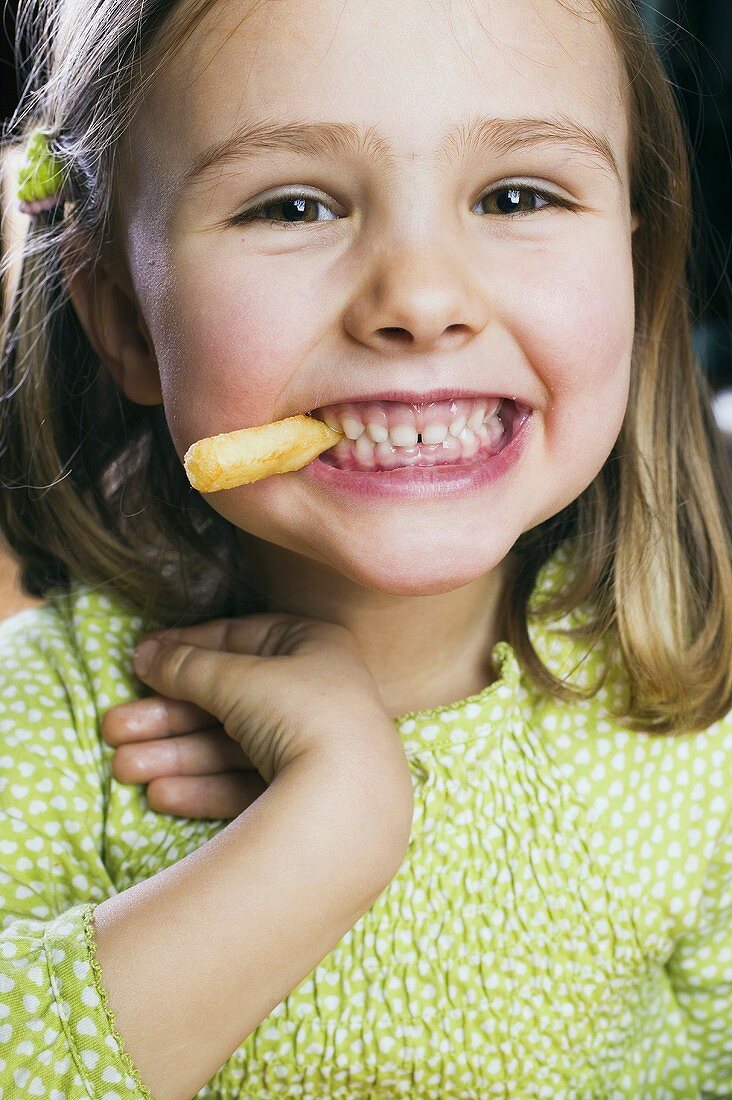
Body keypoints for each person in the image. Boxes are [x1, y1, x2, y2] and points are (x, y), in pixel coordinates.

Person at [1, 0, 731, 1096]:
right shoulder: (51, 723)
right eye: (291, 205)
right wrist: (327, 828)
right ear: (118, 314)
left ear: (637, 254)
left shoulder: (693, 732)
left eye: (517, 194)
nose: (422, 300)